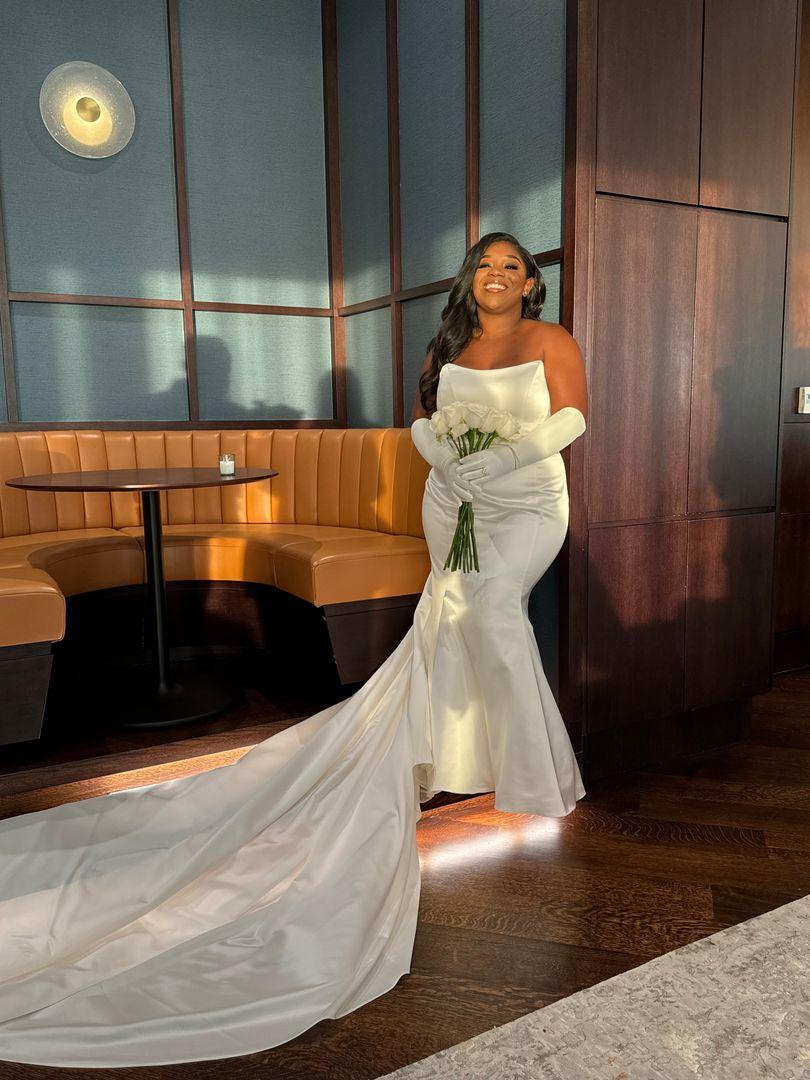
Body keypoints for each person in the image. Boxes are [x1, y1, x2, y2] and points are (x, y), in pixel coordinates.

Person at [0, 231, 587, 1068]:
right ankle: (452, 754)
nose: (496, 276)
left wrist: (500, 458)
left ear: (531, 284)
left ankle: (531, 773)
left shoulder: (549, 340)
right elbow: (424, 417)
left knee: (492, 611)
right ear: (473, 281)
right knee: (446, 615)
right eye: (484, 265)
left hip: (525, 501)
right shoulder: (452, 343)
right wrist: (443, 455)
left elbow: (572, 416)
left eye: (511, 266)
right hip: (451, 496)